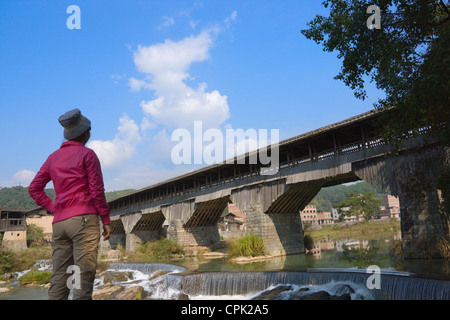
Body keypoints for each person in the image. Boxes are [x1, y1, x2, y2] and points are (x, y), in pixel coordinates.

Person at [28, 108, 111, 300]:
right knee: (82, 277)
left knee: (61, 277)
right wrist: (105, 219)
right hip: (83, 221)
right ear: (85, 133)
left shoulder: (52, 158)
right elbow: (97, 191)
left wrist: (53, 208)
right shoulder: (88, 155)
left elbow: (34, 188)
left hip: (59, 224)